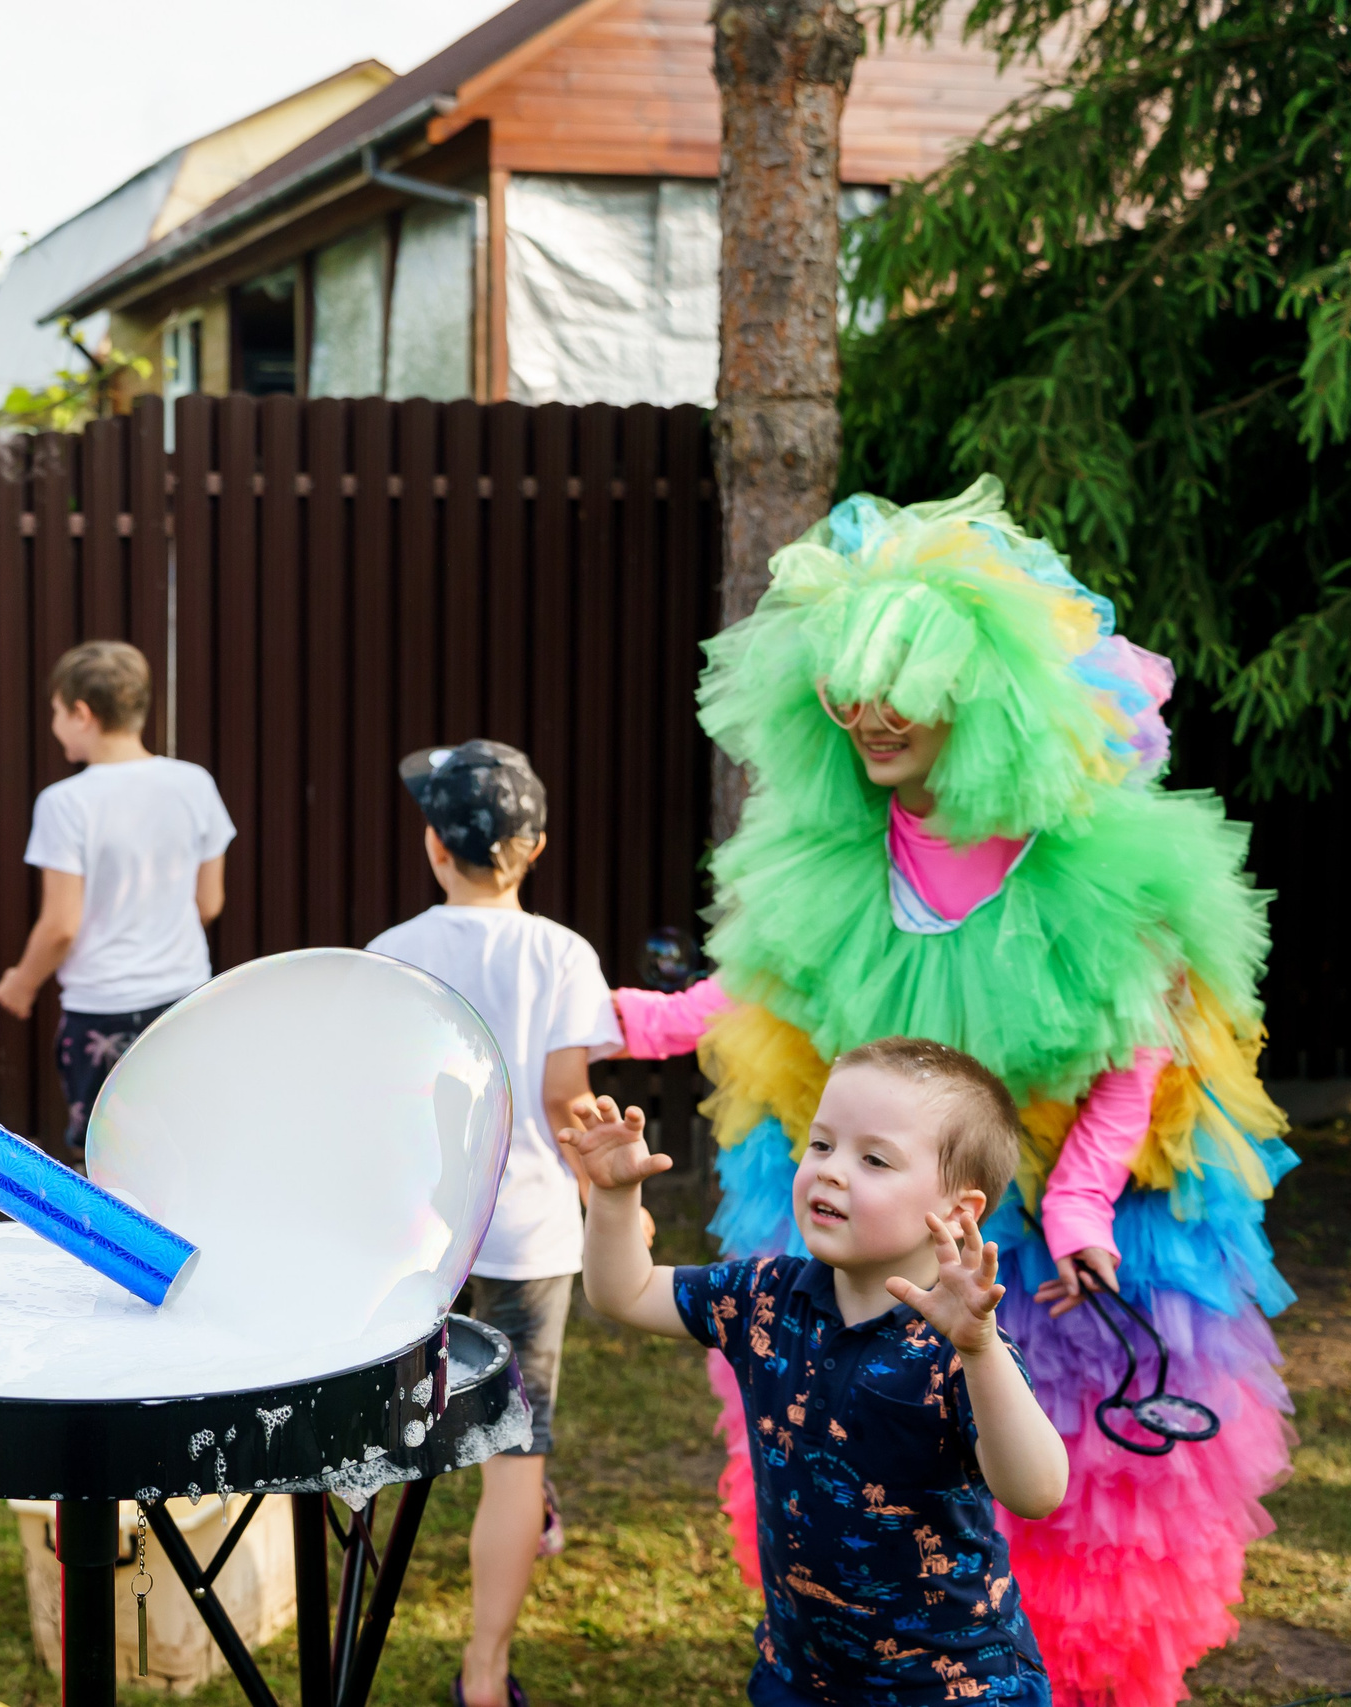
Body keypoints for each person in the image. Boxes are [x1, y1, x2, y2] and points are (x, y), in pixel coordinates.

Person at [608, 479, 1295, 1706]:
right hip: (882, 1190)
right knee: (871, 1454)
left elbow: (1145, 1045)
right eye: (849, 690)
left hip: (1052, 1224)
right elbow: (767, 987)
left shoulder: (1085, 853)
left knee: (1067, 1477)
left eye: (903, 689)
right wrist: (623, 1018)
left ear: (974, 696)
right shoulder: (836, 848)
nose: (872, 718)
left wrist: (1079, 1205)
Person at [568, 1037, 1067, 1705]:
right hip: (804, 1675)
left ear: (956, 1212)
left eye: (874, 1158)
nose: (830, 1171)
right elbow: (623, 1291)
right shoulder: (764, 1296)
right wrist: (613, 1196)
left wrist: (980, 1350)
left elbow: (1036, 1490)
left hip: (953, 1685)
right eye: (822, 1144)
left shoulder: (962, 1348)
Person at [363, 741, 621, 1707]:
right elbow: (567, 1100)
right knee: (519, 1447)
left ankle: (351, 1606)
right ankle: (484, 1678)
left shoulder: (395, 950)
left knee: (392, 1421)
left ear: (435, 845)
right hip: (529, 1230)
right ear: (536, 847)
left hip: (418, 1234)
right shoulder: (562, 952)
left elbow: (384, 1098)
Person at [0, 640, 233, 1155]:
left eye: (56, 712)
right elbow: (209, 903)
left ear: (82, 714)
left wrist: (22, 983)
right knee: (190, 1151)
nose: (55, 725)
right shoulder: (195, 784)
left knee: (112, 1162)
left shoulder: (65, 803)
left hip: (101, 1013)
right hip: (186, 1001)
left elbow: (61, 925)